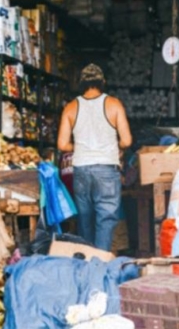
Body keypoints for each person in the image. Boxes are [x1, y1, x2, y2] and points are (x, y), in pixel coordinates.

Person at [57, 64, 132, 251]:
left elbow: (62, 144)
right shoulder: (114, 104)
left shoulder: (71, 107)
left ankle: (88, 263)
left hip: (81, 169)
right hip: (106, 169)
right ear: (102, 82)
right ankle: (101, 264)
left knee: (85, 218)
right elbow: (127, 140)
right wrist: (115, 146)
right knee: (106, 219)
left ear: (81, 84)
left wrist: (80, 146)